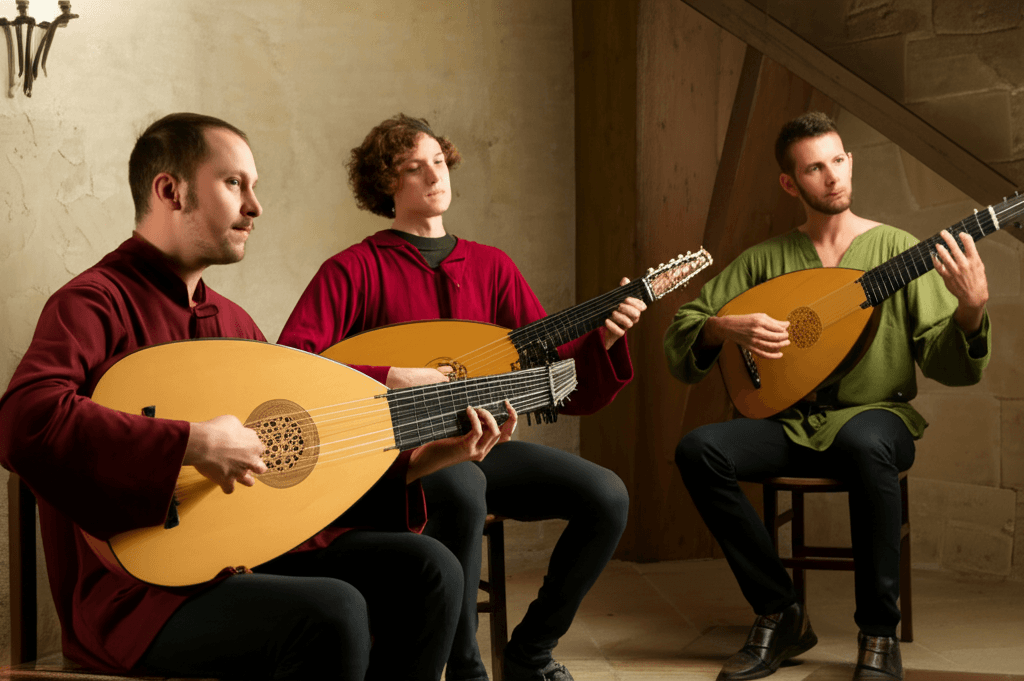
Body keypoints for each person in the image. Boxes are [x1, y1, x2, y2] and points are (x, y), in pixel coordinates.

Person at [0, 112, 514, 681]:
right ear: (170, 190)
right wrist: (192, 443)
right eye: (234, 184)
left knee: (431, 568)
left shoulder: (236, 322)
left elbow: (295, 464)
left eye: (255, 187)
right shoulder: (92, 303)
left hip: (250, 553)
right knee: (334, 611)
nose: (255, 206)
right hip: (140, 598)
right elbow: (24, 422)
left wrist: (434, 456)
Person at [278, 114, 646, 681]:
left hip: (486, 442)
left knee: (607, 495)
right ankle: (466, 667)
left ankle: (530, 653)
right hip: (403, 458)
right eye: (412, 167)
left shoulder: (492, 266)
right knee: (463, 484)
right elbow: (295, 365)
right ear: (385, 184)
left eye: (439, 161)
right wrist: (390, 375)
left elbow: (560, 382)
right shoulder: (354, 269)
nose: (433, 175)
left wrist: (604, 339)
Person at [665, 111, 991, 681]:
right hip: (789, 423)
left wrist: (969, 310)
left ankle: (878, 635)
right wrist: (724, 329)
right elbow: (687, 323)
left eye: (838, 160)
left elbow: (947, 361)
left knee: (867, 443)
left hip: (876, 418)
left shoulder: (897, 250)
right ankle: (780, 611)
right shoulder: (769, 259)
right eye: (815, 168)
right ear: (792, 184)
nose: (833, 177)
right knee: (699, 449)